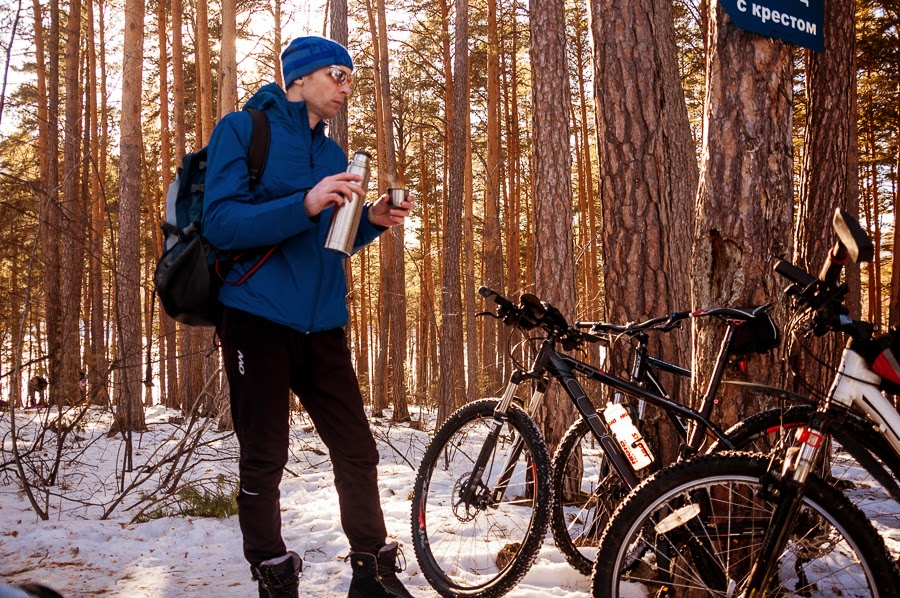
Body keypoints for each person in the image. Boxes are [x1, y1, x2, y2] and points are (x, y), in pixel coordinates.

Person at [202, 36, 415, 598]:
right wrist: (304, 202)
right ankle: (272, 571)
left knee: (357, 450)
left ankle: (372, 573)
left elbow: (329, 241)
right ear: (298, 77)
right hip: (257, 316)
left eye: (351, 77)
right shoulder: (244, 131)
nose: (347, 87)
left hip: (322, 321)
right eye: (337, 75)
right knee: (265, 454)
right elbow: (221, 224)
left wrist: (369, 219)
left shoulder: (330, 153)